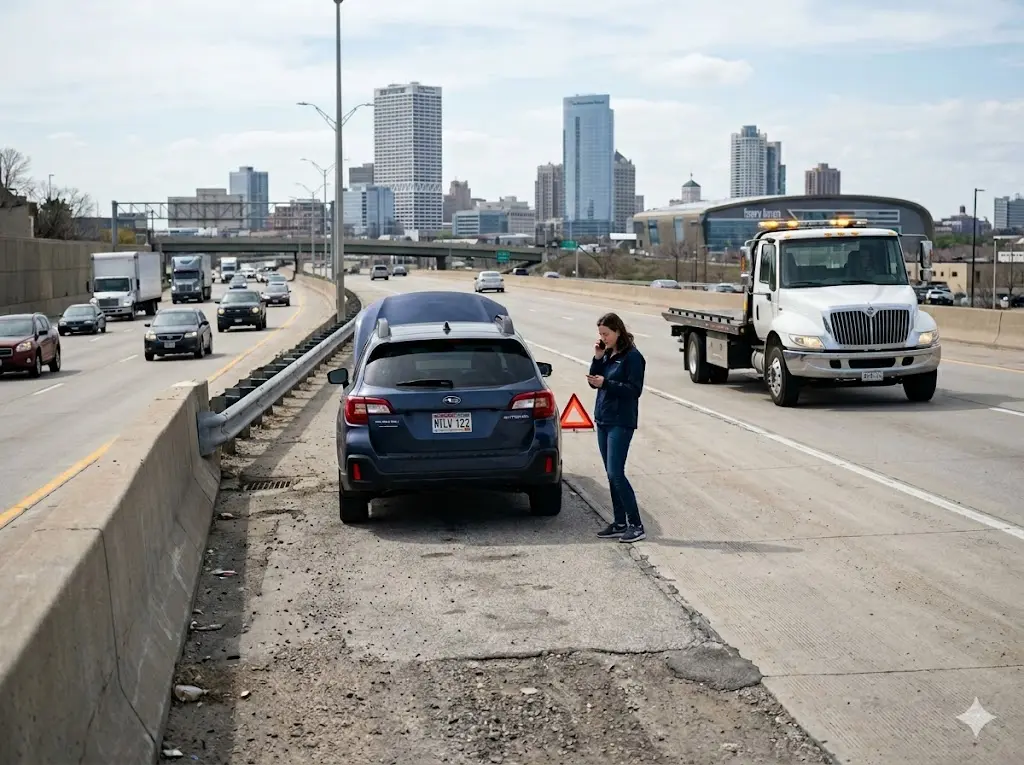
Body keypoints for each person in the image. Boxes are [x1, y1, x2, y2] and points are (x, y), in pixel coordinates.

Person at [586, 312, 647, 542]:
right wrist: (598, 358)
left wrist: (607, 383)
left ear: (618, 331)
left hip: (621, 421)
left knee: (616, 473)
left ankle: (636, 525)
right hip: (603, 419)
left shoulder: (633, 357)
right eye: (600, 334)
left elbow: (634, 390)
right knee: (611, 476)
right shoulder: (608, 354)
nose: (603, 337)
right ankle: (620, 522)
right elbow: (595, 382)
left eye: (606, 334)